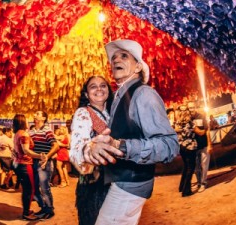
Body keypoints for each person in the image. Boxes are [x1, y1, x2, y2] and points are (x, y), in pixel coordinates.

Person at [83, 39, 179, 224]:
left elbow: (169, 145)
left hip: (131, 184)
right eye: (114, 57)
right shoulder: (120, 96)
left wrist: (121, 146)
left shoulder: (143, 94)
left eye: (124, 56)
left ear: (137, 68)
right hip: (122, 181)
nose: (116, 60)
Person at [69, 75, 113, 225]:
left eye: (103, 85)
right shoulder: (83, 113)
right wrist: (89, 150)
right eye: (93, 86)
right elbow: (76, 149)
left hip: (114, 182)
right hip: (95, 186)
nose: (99, 89)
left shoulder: (111, 114)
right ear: (87, 94)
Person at [12, 114, 46, 221]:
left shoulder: (17, 133)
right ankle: (26, 213)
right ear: (22, 122)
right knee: (29, 189)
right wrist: (40, 156)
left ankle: (26, 210)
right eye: (26, 120)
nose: (28, 121)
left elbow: (15, 150)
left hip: (19, 164)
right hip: (25, 165)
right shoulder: (24, 134)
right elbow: (26, 150)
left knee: (26, 189)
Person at [29, 111, 59, 220]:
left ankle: (49, 210)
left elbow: (56, 146)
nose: (35, 114)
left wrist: (47, 156)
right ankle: (44, 207)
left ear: (43, 118)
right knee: (35, 188)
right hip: (34, 162)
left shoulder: (47, 130)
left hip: (44, 163)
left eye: (37, 113)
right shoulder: (31, 131)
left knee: (44, 188)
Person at [188, 102, 209, 193]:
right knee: (196, 167)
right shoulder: (187, 119)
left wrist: (210, 144)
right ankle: (200, 183)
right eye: (189, 108)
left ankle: (203, 183)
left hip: (203, 144)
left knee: (204, 165)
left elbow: (207, 130)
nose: (191, 110)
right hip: (193, 146)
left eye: (192, 107)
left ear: (195, 107)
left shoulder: (201, 116)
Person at [176, 109, 198, 197]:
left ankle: (181, 186)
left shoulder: (177, 123)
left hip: (181, 147)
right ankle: (186, 191)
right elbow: (198, 132)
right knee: (190, 168)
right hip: (190, 147)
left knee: (186, 166)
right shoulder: (190, 123)